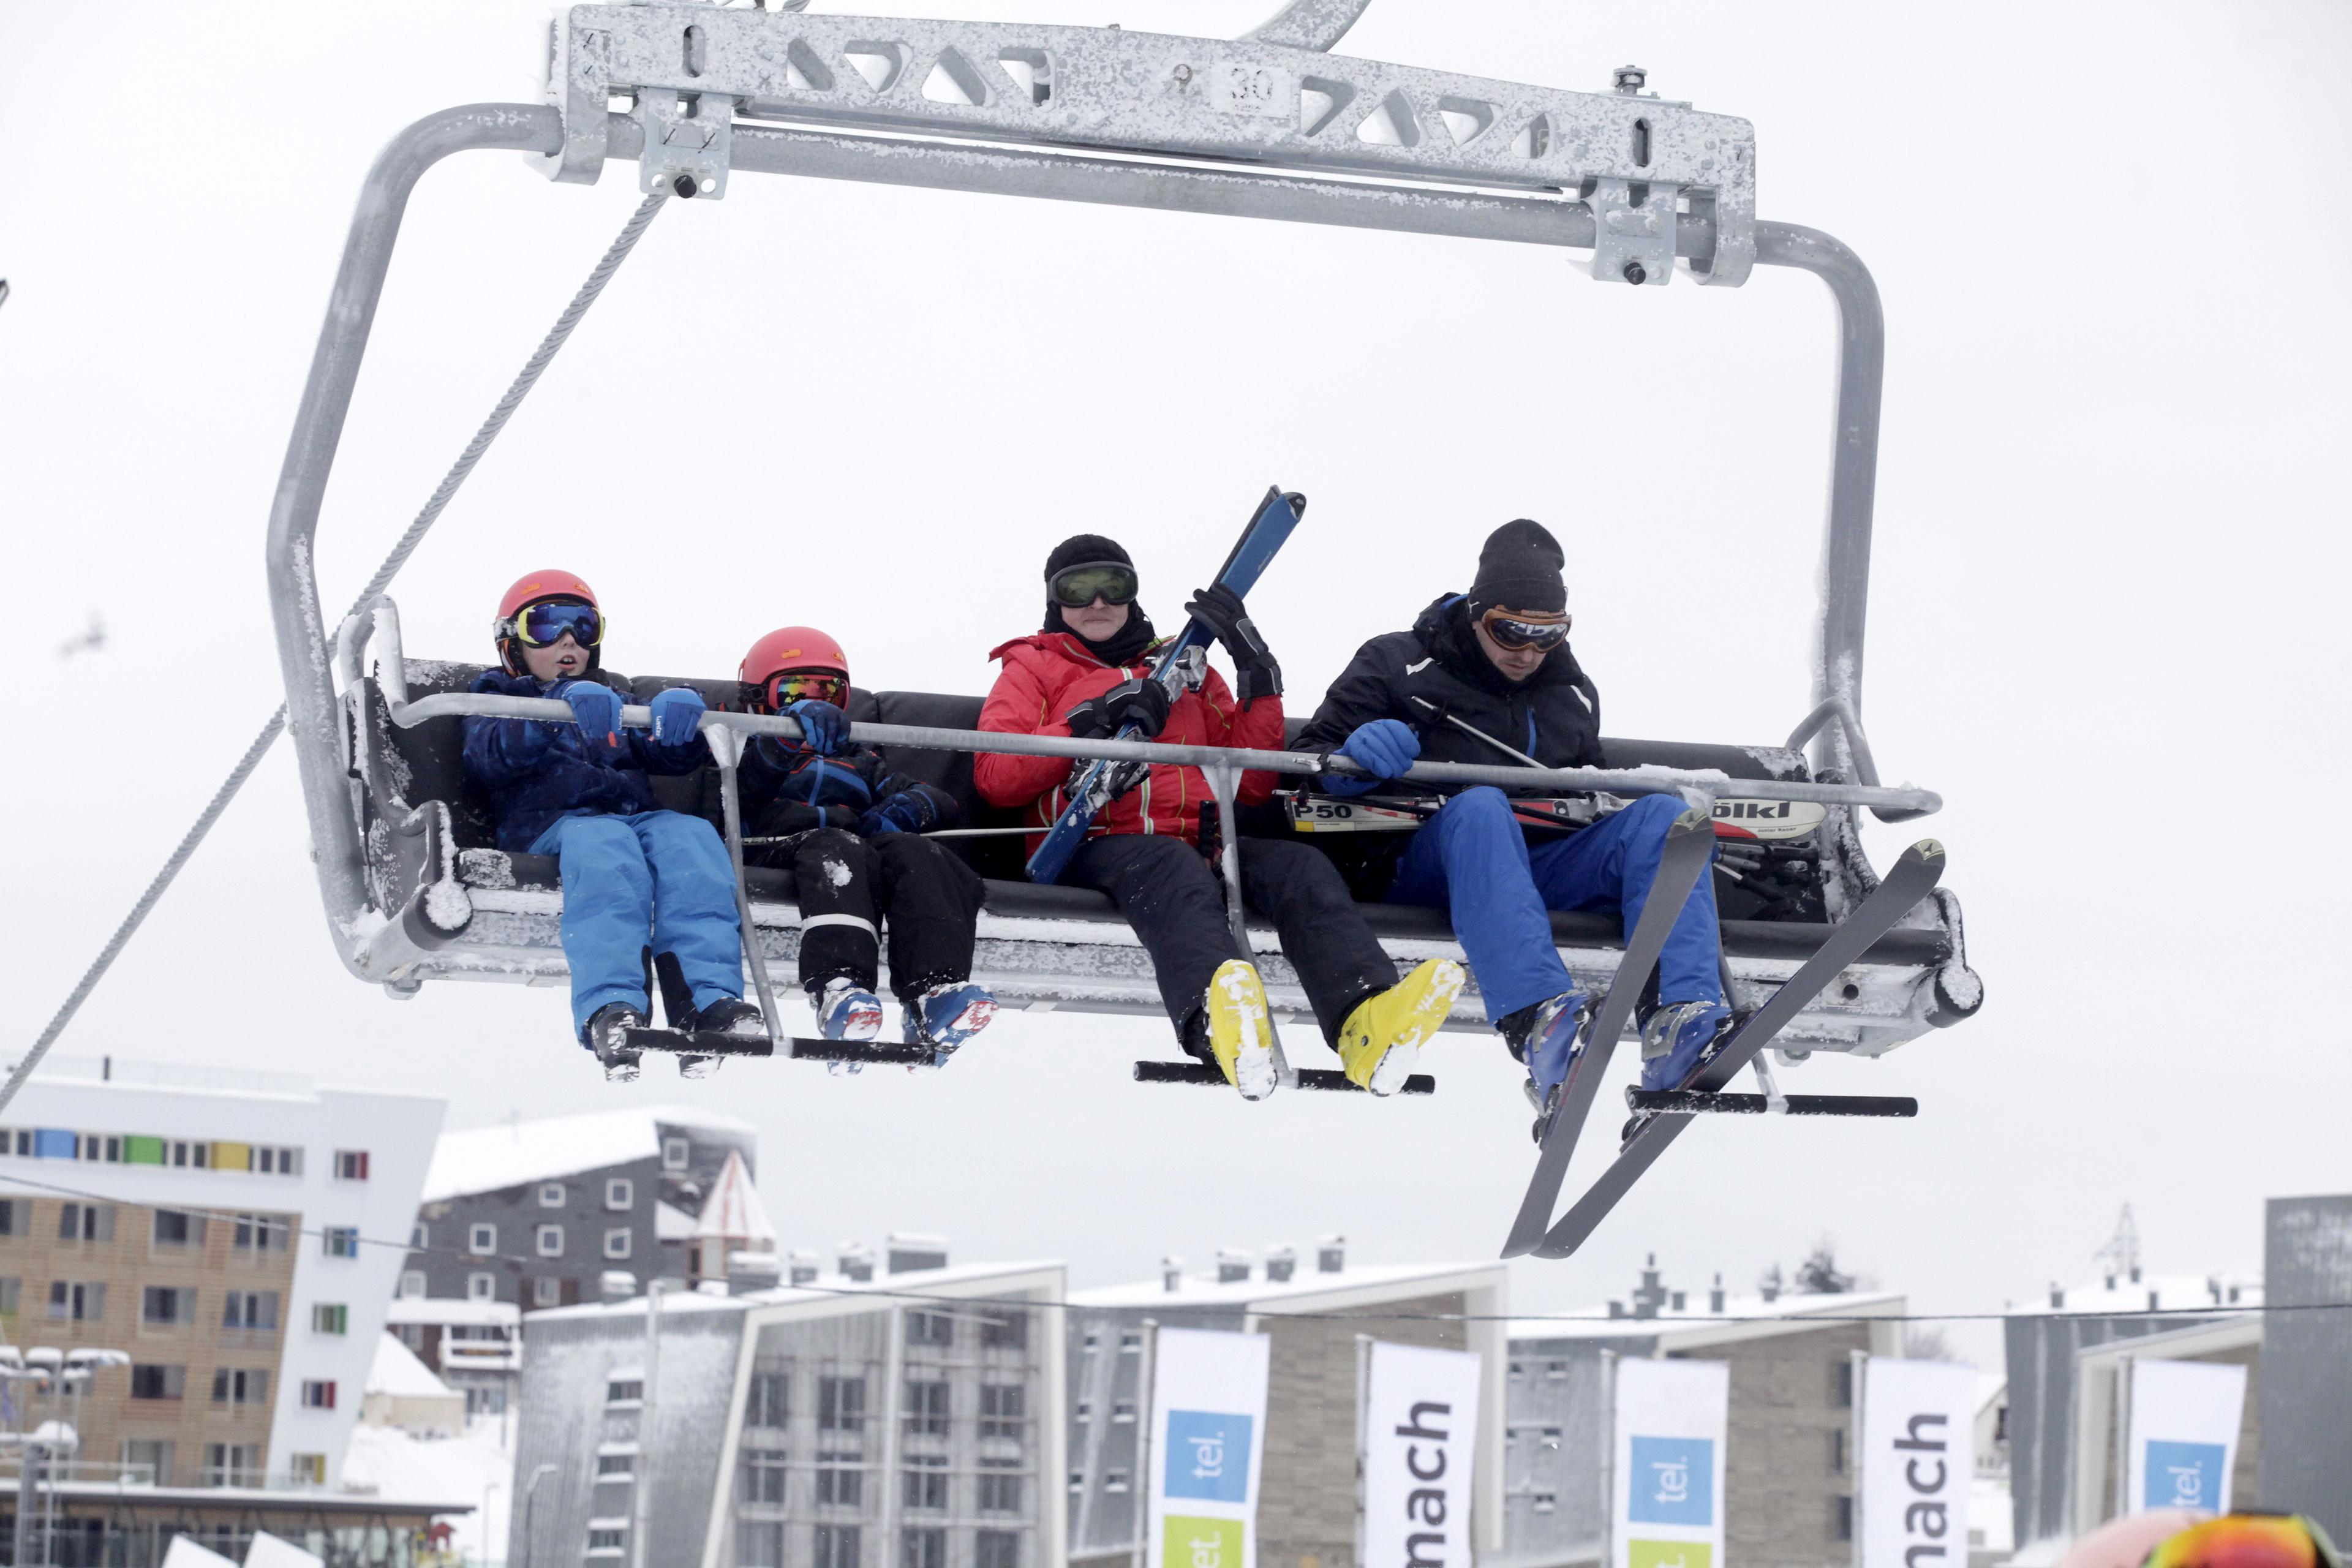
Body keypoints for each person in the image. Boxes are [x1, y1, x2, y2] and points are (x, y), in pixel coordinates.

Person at [975, 533, 1464, 1098]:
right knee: (1168, 868)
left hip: (1203, 840)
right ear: (1054, 602)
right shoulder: (1033, 668)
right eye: (1077, 589)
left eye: (1115, 585)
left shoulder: (1185, 670)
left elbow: (1251, 785)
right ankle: (1216, 1021)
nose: (1098, 602)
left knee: (1298, 868)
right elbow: (996, 777)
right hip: (1098, 842)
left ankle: (1366, 1018)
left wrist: (1258, 675)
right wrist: (1089, 719)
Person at [1295, 519, 1731, 1109]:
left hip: (1532, 865)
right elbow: (1297, 766)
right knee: (1481, 806)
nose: (1528, 652)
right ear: (1477, 614)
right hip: (1420, 862)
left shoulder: (1571, 692)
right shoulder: (1397, 662)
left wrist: (1654, 840)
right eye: (1511, 632)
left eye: (1548, 635)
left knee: (1661, 820)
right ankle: (1538, 1017)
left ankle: (1680, 1023)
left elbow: (1584, 788)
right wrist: (1352, 761)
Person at [461, 570, 763, 1080]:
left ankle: (707, 1001)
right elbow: (486, 755)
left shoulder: (611, 697)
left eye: (583, 626)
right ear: (512, 642)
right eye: (546, 626)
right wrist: (551, 713)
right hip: (553, 826)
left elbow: (666, 755)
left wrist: (681, 719)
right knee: (607, 852)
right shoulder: (496, 693)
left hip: (632, 819)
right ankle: (614, 1006)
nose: (568, 641)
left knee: (691, 839)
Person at [736, 625, 996, 1052]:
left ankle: (934, 992)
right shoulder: (747, 745)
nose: (814, 702)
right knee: (837, 846)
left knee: (919, 852)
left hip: (853, 849)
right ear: (758, 696)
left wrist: (901, 812)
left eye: (830, 692)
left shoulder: (857, 760)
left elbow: (936, 799)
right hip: (774, 847)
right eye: (795, 691)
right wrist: (782, 740)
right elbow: (743, 791)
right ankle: (839, 988)